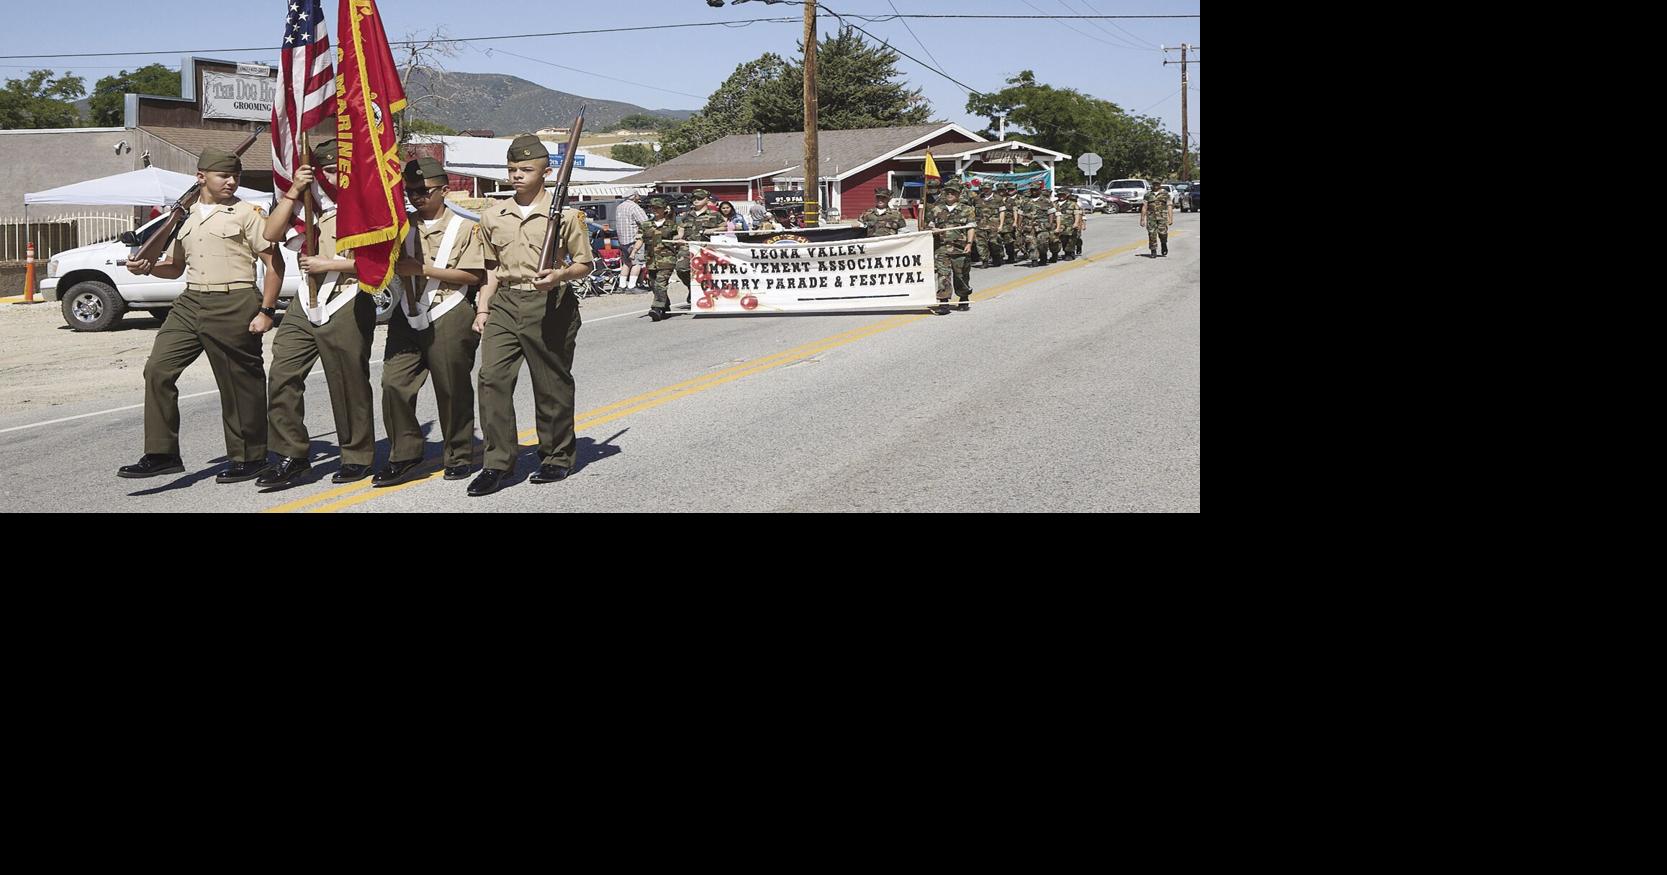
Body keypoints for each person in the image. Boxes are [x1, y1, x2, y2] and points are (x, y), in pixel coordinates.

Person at [118, 147, 283, 483]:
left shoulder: (248, 213)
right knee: (158, 370)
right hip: (191, 301)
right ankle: (161, 453)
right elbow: (175, 267)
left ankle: (250, 456)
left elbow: (273, 263)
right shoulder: (185, 216)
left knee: (238, 382)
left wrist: (267, 310)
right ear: (201, 177)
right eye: (224, 175)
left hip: (235, 300)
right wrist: (146, 267)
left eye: (235, 176)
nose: (231, 181)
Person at [467, 133, 594, 497]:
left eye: (526, 169)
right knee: (491, 378)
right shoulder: (493, 215)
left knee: (550, 381)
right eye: (512, 169)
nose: (517, 175)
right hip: (506, 301)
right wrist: (483, 306)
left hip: (550, 302)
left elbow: (584, 263)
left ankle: (556, 456)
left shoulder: (566, 215)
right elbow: (491, 268)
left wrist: (559, 275)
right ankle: (497, 463)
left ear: (545, 172)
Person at [254, 138, 379, 488]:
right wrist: (295, 190)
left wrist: (331, 264)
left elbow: (384, 262)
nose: (335, 177)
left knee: (347, 380)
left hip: (348, 295)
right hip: (306, 299)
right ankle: (291, 454)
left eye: (340, 169)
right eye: (328, 170)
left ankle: (356, 455)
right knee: (283, 372)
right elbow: (271, 233)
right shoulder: (309, 202)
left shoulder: (369, 203)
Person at [375, 156, 488, 487]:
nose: (417, 197)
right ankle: (405, 453)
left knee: (451, 387)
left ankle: (459, 453)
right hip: (407, 312)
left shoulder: (465, 227)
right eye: (411, 191)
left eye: (424, 191)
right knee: (394, 383)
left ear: (444, 190)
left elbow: (474, 275)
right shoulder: (400, 226)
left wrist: (423, 269)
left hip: (448, 309)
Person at [615, 191, 649, 291]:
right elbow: (645, 222)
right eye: (637, 195)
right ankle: (632, 286)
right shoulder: (634, 207)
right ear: (634, 197)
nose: (639, 197)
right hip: (634, 239)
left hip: (622, 240)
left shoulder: (619, 207)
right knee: (637, 263)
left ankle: (622, 285)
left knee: (626, 263)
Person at [1140, 178, 1173, 257]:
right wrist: (1142, 219)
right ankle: (1153, 250)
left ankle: (1164, 244)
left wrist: (1170, 218)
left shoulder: (1165, 194)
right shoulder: (1148, 194)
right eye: (1154, 184)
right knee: (1152, 233)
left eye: (1157, 184)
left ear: (1160, 184)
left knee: (1163, 233)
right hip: (1151, 217)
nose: (1156, 185)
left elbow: (1169, 206)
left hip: (1162, 217)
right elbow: (1144, 206)